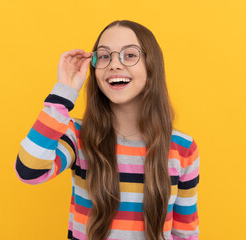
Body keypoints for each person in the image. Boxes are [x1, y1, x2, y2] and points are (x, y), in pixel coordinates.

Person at [15, 20, 200, 240]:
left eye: (129, 55)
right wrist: (64, 93)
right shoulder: (77, 136)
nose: (114, 64)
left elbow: (185, 232)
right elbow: (29, 170)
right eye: (104, 56)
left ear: (152, 65)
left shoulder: (183, 148)